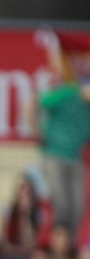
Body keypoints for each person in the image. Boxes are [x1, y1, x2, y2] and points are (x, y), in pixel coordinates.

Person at [36, 42, 90, 243]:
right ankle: (56, 245)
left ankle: (71, 246)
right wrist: (38, 132)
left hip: (75, 159)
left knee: (79, 207)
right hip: (55, 156)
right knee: (62, 206)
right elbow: (33, 103)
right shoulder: (69, 93)